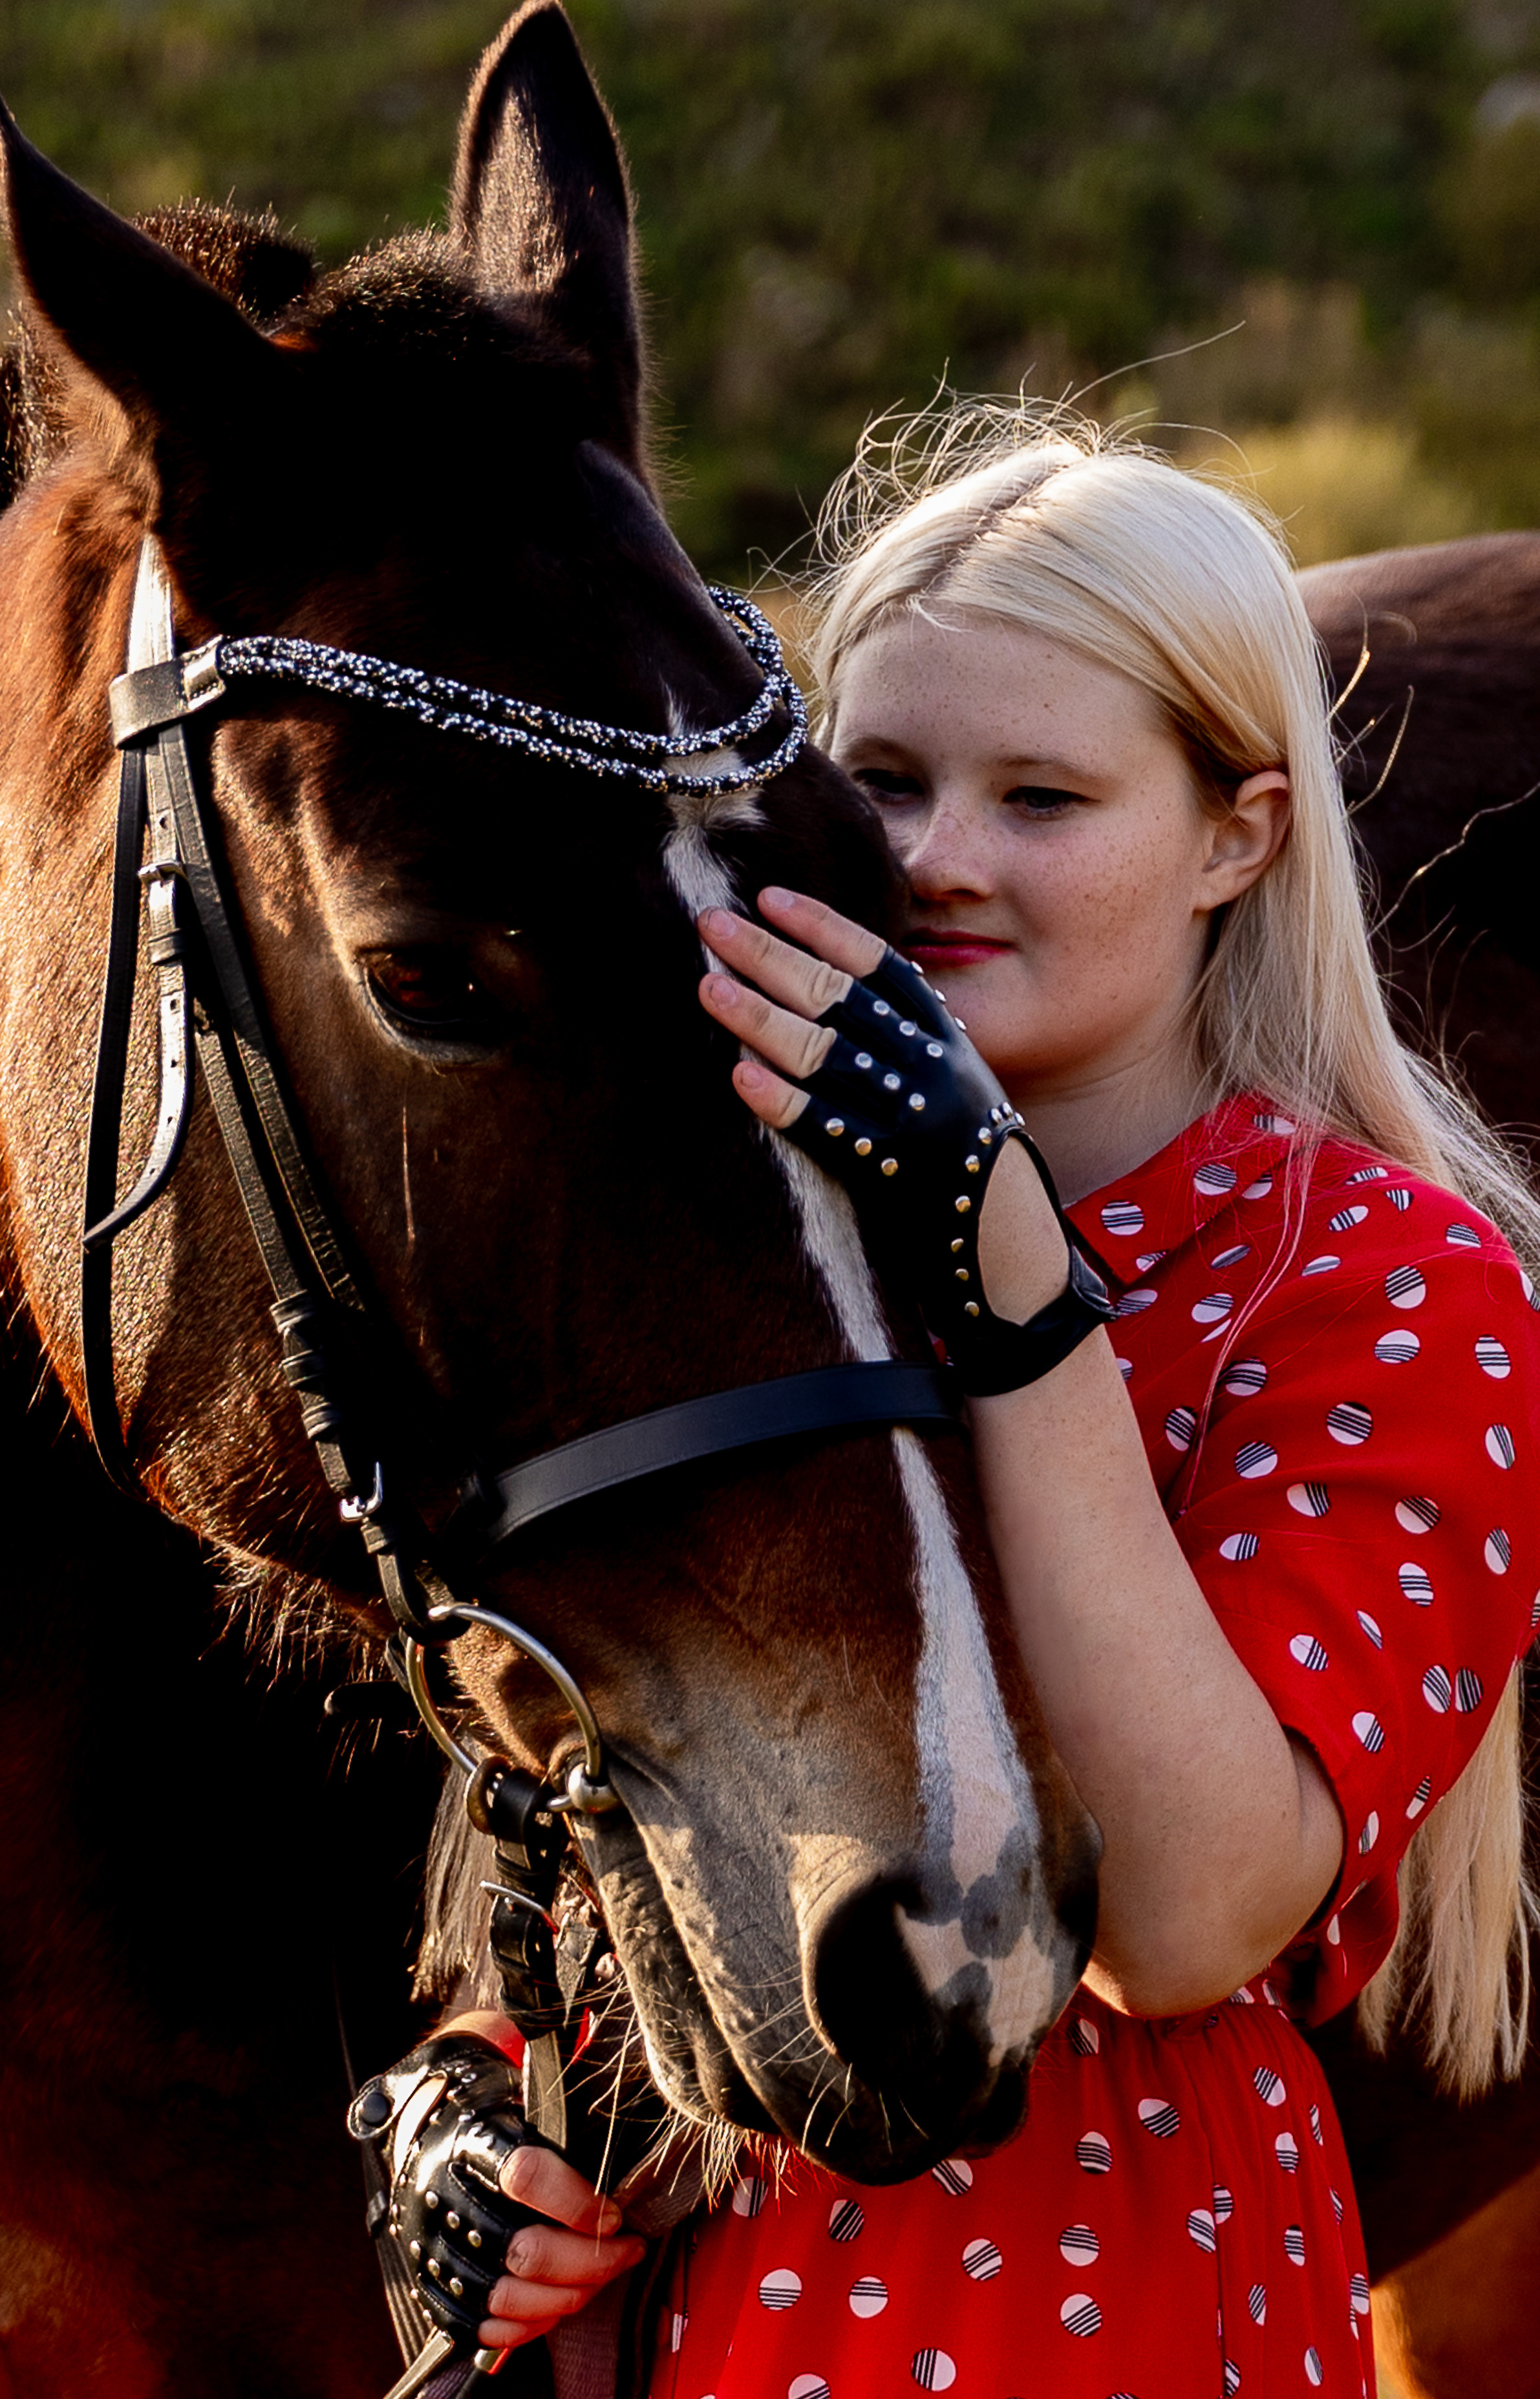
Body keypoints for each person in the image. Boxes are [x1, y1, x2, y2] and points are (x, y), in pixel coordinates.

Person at [415, 417, 1540, 2397]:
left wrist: (1013, 1285)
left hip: (1104, 2276)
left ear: (1237, 834)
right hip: (703, 2301)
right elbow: (577, 1803)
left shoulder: (1391, 1284)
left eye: (1041, 795)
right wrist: (470, 2116)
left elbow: (1187, 1917)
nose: (937, 858)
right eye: (887, 781)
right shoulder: (753, 1234)